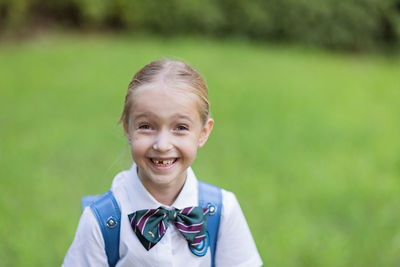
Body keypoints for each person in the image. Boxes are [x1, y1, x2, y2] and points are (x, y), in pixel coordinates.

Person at [63, 59, 263, 266]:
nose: (162, 145)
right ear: (127, 128)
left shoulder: (222, 211)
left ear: (203, 133)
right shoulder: (103, 221)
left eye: (181, 127)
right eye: (146, 126)